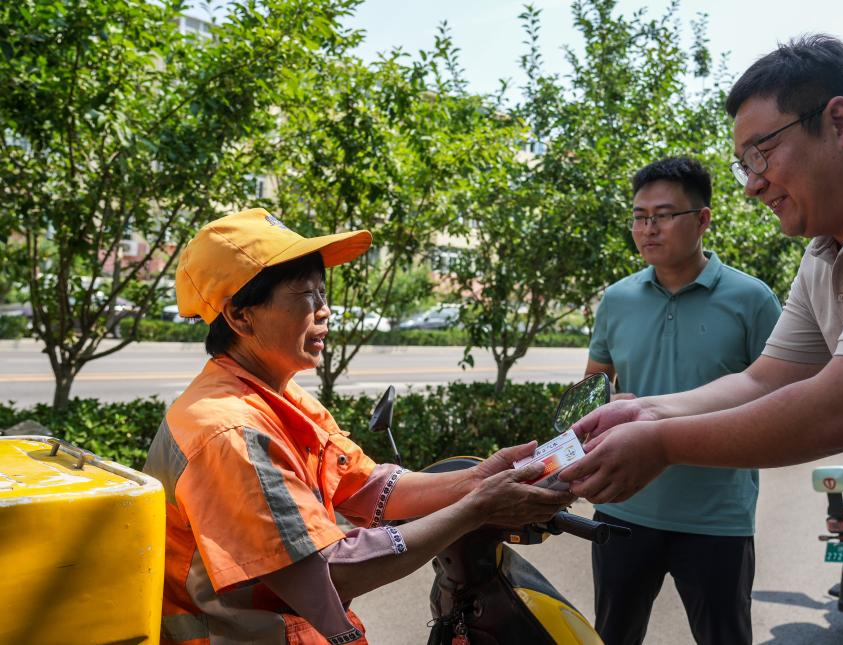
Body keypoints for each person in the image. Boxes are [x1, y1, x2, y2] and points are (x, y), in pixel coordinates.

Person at [561, 35, 843, 644]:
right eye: (743, 164)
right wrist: (642, 409)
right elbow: (764, 378)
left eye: (761, 154)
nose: (751, 185)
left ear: (839, 121)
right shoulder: (825, 253)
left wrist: (661, 441)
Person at [144, 208, 573, 645]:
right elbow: (331, 572)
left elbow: (367, 488)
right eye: (305, 295)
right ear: (240, 316)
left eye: (322, 293)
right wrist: (476, 507)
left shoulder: (280, 396)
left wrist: (477, 479)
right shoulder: (228, 431)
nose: (325, 310)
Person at [584, 157, 780, 645]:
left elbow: (778, 396)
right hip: (623, 507)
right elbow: (592, 388)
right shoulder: (617, 299)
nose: (648, 228)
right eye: (639, 215)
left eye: (664, 214)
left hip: (716, 516)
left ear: (703, 219)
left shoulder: (752, 300)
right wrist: (604, 403)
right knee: (610, 636)